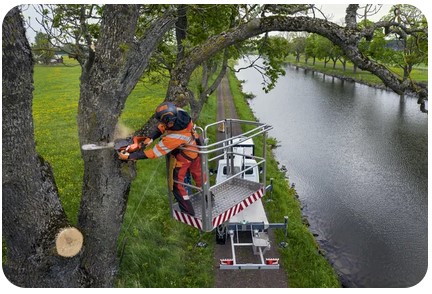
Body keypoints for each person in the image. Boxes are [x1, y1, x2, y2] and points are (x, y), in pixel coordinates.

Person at [118, 101, 202, 216]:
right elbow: (161, 128)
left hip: (185, 156)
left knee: (177, 185)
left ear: (170, 122)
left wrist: (130, 156)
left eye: (164, 122)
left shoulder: (174, 137)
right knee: (200, 176)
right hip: (196, 147)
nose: (162, 124)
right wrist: (149, 139)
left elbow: (154, 153)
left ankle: (189, 213)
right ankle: (208, 197)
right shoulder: (179, 113)